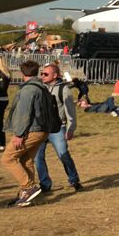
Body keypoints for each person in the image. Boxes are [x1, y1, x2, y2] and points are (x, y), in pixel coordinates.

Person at [1, 60, 55, 206]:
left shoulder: (28, 90)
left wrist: (19, 134)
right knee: (26, 159)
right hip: (42, 129)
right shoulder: (41, 87)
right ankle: (26, 195)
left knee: (8, 158)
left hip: (32, 129)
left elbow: (24, 113)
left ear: (22, 72)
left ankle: (29, 187)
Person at [34, 63, 82, 194]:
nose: (42, 76)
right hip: (41, 128)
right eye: (42, 73)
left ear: (55, 75)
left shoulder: (63, 90)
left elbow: (70, 111)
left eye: (46, 74)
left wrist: (71, 128)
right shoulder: (39, 88)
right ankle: (45, 183)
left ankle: (74, 180)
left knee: (63, 155)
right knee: (38, 157)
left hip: (57, 128)